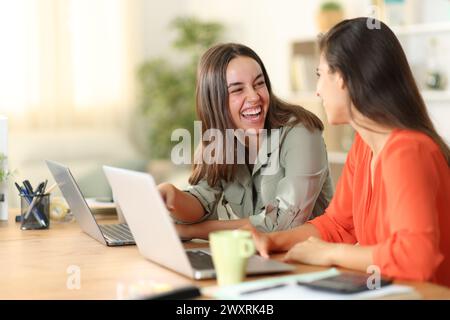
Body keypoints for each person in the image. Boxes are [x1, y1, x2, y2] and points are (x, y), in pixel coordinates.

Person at [249, 18, 450, 287]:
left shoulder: (408, 150)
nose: (317, 90)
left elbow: (417, 258)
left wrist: (331, 254)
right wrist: (271, 240)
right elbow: (338, 225)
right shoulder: (364, 147)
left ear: (342, 78)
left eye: (320, 75)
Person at [158, 43, 334, 240]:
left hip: (309, 261)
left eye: (259, 84)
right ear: (215, 101)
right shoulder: (219, 138)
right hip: (260, 258)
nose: (253, 96)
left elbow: (283, 222)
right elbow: (202, 200)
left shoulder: (301, 132)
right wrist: (172, 196)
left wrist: (191, 232)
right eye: (238, 90)